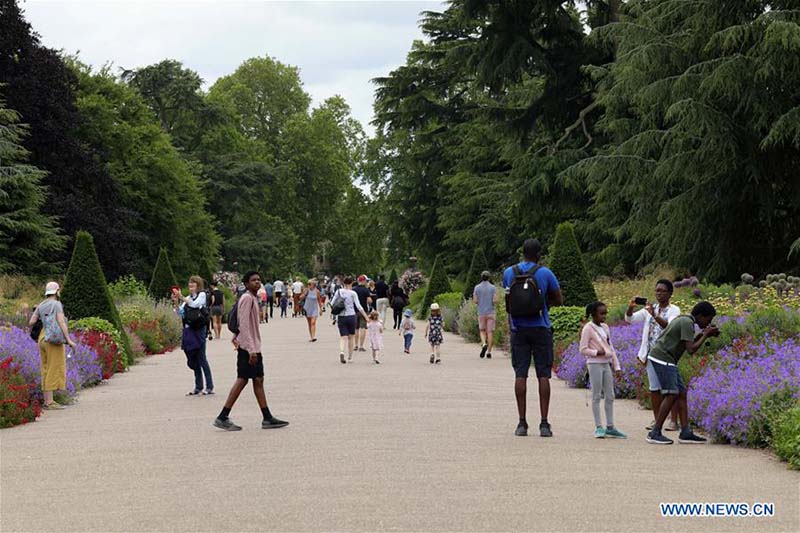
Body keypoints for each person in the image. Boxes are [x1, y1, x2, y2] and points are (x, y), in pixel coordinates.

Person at [213, 271, 289, 431]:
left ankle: (267, 417)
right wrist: (250, 349)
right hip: (249, 348)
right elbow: (244, 324)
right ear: (246, 284)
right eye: (253, 280)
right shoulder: (247, 298)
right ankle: (222, 416)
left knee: (258, 379)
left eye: (258, 280)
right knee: (242, 379)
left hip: (252, 345)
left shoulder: (252, 298)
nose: (257, 282)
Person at [503, 238, 562, 438]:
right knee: (543, 375)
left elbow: (508, 300)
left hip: (518, 329)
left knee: (520, 375)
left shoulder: (509, 272)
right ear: (539, 254)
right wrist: (542, 302)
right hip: (540, 327)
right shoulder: (544, 273)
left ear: (522, 252)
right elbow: (558, 298)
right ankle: (544, 424)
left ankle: (522, 423)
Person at [646, 302, 719, 445]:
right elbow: (691, 349)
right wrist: (705, 336)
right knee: (672, 393)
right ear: (700, 316)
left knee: (681, 392)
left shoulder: (685, 320)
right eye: (708, 319)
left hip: (664, 357)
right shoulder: (687, 323)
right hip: (663, 358)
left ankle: (685, 432)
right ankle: (655, 432)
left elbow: (688, 343)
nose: (708, 323)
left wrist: (705, 334)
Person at [626, 280, 681, 432]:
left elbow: (669, 326)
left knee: (671, 388)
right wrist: (630, 308)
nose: (658, 293)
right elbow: (630, 320)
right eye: (657, 290)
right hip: (651, 354)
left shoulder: (673, 310)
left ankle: (673, 421)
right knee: (655, 388)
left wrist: (654, 315)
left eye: (662, 291)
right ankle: (658, 420)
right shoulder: (650, 309)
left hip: (667, 353)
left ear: (670, 293)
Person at [580, 302, 627, 439]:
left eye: (605, 313)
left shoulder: (605, 327)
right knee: (596, 395)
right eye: (602, 313)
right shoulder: (588, 329)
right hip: (594, 364)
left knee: (610, 395)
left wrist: (617, 366)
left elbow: (611, 347)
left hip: (606, 363)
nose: (604, 316)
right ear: (593, 314)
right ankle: (599, 427)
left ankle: (610, 426)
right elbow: (582, 349)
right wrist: (596, 352)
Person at [28, 282, 77, 410]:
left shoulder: (41, 305)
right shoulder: (57, 304)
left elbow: (31, 322)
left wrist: (44, 319)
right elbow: (61, 322)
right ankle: (50, 402)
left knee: (45, 368)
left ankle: (47, 400)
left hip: (42, 339)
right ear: (56, 291)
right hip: (53, 339)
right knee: (53, 368)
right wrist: (69, 340)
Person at [180, 276, 214, 396]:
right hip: (190, 330)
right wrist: (176, 301)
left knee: (202, 358)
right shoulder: (188, 298)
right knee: (194, 357)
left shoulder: (202, 295)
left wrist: (183, 298)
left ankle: (209, 386)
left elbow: (195, 305)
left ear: (198, 286)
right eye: (189, 286)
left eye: (193, 285)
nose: (191, 288)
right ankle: (198, 386)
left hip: (199, 329)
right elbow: (181, 312)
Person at [330, 276, 369, 364]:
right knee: (351, 337)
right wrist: (366, 317)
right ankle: (350, 357)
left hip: (341, 316)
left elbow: (332, 303)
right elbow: (359, 306)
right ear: (351, 283)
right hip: (351, 316)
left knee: (343, 337)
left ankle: (342, 351)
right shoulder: (353, 293)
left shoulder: (338, 291)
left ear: (343, 283)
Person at [473, 270, 498, 359]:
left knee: (482, 330)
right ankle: (489, 352)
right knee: (490, 332)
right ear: (489, 277)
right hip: (491, 312)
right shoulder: (493, 288)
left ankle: (484, 344)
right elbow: (495, 301)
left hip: (481, 312)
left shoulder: (477, 287)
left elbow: (475, 300)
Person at [353, 275, 372, 351]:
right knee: (363, 328)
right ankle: (361, 346)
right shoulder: (366, 290)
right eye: (366, 281)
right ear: (363, 281)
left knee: (356, 328)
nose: (367, 282)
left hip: (355, 310)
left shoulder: (354, 290)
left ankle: (355, 345)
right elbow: (369, 300)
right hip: (364, 310)